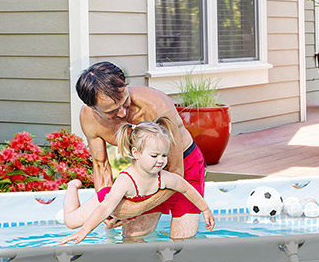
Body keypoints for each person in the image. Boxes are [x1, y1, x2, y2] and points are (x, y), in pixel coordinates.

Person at [75, 61, 207, 240]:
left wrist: (138, 208)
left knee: (181, 242)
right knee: (131, 239)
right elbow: (100, 166)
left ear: (125, 86)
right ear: (93, 108)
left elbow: (177, 172)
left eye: (125, 102)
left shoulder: (155, 106)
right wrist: (110, 209)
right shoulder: (89, 119)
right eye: (112, 111)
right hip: (144, 176)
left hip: (184, 166)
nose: (122, 113)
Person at [60, 121, 214, 245]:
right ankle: (72, 186)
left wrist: (205, 209)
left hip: (130, 202)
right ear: (136, 153)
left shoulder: (163, 177)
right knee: (71, 221)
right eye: (154, 155)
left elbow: (187, 188)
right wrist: (85, 230)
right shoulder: (126, 179)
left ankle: (109, 225)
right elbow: (106, 207)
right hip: (108, 198)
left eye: (164, 155)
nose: (161, 161)